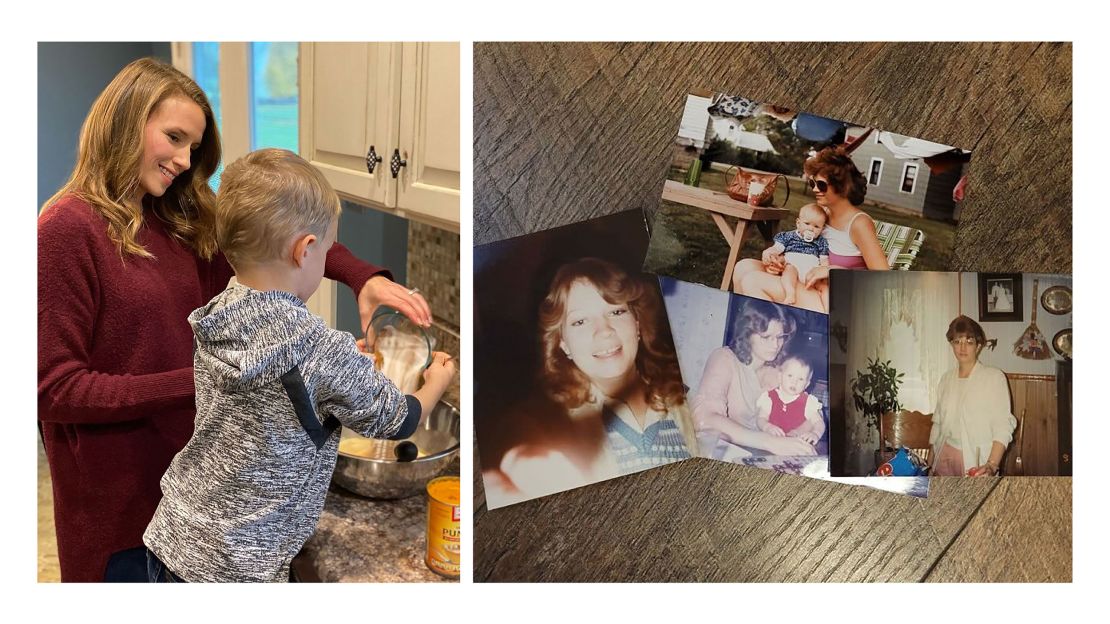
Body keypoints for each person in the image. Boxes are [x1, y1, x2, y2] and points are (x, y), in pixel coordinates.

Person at [37, 58, 429, 582]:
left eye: (193, 147)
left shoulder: (180, 216)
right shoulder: (66, 229)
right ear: (124, 121)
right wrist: (204, 380)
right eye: (174, 137)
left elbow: (279, 238)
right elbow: (54, 390)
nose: (182, 159)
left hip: (202, 492)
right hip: (118, 507)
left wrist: (362, 276)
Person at [141, 149, 455, 582]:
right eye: (327, 249)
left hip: (174, 536)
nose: (327, 258)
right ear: (306, 250)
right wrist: (436, 379)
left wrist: (343, 368)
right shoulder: (317, 348)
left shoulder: (219, 312)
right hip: (239, 569)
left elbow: (287, 390)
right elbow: (397, 418)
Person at [494, 258, 696, 501]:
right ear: (563, 343)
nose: (604, 330)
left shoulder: (686, 396)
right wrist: (519, 456)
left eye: (616, 311)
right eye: (580, 321)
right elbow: (514, 431)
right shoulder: (557, 419)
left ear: (638, 324)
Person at [733, 147, 889, 310]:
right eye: (812, 183)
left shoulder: (859, 223)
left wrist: (833, 270)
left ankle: (773, 331)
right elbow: (802, 246)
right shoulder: (823, 215)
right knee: (743, 267)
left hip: (836, 300)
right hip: (806, 281)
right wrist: (778, 258)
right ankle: (745, 328)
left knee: (752, 281)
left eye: (821, 184)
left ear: (843, 186)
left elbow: (884, 280)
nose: (814, 189)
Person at [691, 298, 819, 456]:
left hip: (763, 456)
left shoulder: (780, 372)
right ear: (747, 333)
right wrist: (769, 441)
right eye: (766, 337)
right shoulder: (724, 358)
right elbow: (704, 418)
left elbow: (808, 414)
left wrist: (796, 434)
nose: (775, 345)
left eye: (780, 337)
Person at [927, 316, 1016, 477]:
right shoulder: (946, 379)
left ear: (978, 345)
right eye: (957, 341)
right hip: (943, 455)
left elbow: (1002, 425)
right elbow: (938, 424)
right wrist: (929, 465)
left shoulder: (994, 377)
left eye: (969, 341)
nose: (962, 347)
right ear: (951, 344)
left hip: (976, 462)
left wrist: (992, 465)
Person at [760, 203, 830, 310]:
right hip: (794, 266)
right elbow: (777, 248)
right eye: (807, 224)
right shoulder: (789, 236)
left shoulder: (821, 242)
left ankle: (828, 311)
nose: (811, 229)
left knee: (825, 288)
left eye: (816, 226)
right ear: (798, 223)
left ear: (822, 228)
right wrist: (770, 252)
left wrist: (822, 270)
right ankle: (790, 294)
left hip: (811, 272)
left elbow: (824, 261)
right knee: (789, 270)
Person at [754, 355, 825, 446]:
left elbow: (819, 422)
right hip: (771, 443)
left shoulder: (808, 402)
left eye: (800, 379)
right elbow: (761, 418)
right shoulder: (769, 397)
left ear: (806, 384)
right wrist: (767, 427)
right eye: (790, 375)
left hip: (796, 446)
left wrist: (815, 434)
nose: (794, 382)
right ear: (780, 377)